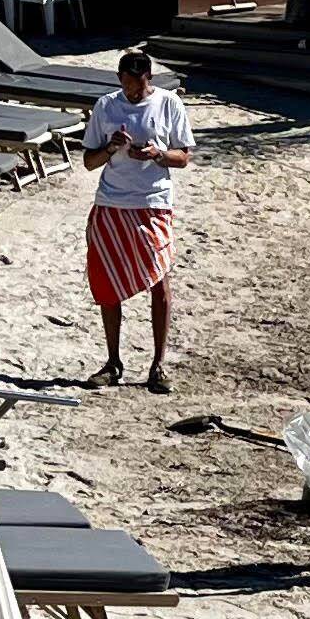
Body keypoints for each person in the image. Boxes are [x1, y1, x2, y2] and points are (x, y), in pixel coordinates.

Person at [80, 46, 196, 391]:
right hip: (111, 203)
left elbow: (183, 156)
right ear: (120, 80)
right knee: (105, 282)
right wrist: (112, 148)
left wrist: (157, 154)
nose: (132, 92)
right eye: (127, 85)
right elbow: (89, 161)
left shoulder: (168, 103)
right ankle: (113, 361)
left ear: (148, 79)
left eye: (138, 85)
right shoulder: (106, 106)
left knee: (159, 280)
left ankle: (158, 365)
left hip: (153, 202)